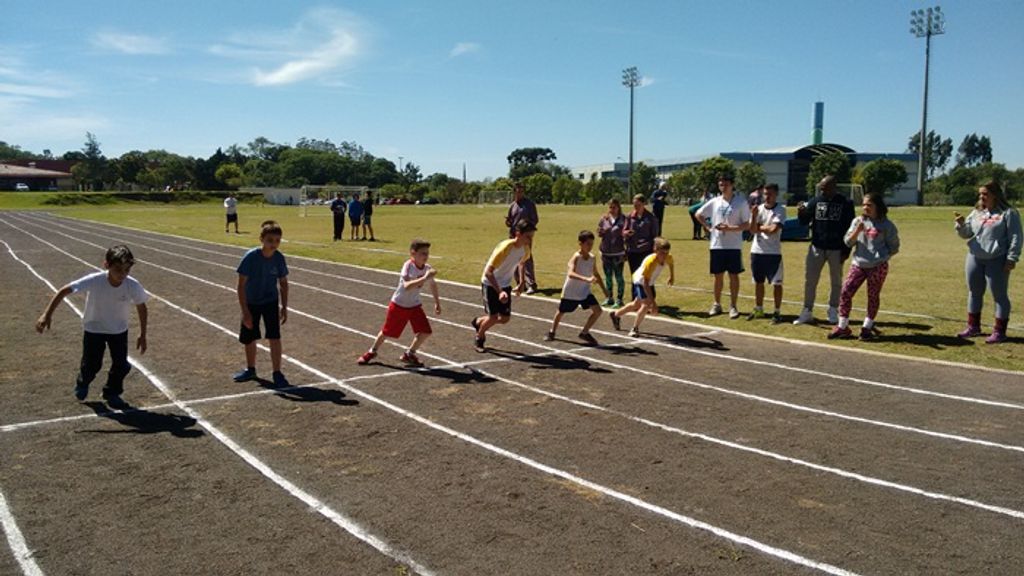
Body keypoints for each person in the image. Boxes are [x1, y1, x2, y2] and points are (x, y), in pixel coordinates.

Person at [35, 245, 149, 410]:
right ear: (106, 265)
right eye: (118, 269)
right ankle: (83, 381)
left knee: (121, 365)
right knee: (92, 364)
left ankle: (112, 393)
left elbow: (142, 307)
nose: (122, 274)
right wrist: (47, 314)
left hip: (118, 331)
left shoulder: (132, 285)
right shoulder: (95, 280)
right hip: (94, 329)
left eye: (126, 270)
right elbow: (64, 290)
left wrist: (143, 334)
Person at [954, 181, 1021, 343]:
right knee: (974, 292)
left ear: (995, 195)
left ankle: (999, 331)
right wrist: (961, 225)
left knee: (999, 295)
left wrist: (1012, 258)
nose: (981, 197)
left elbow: (1016, 237)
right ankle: (973, 327)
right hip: (975, 257)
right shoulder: (977, 213)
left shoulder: (1008, 213)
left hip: (997, 259)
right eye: (980, 194)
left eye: (985, 194)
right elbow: (967, 233)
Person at [358, 239, 442, 366]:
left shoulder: (427, 268)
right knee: (387, 332)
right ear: (413, 253)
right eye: (422, 253)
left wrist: (437, 302)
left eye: (427, 253)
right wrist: (425, 277)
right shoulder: (408, 266)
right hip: (399, 304)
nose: (426, 256)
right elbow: (407, 286)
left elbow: (433, 285)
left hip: (414, 305)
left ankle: (410, 354)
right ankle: (372, 351)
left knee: (425, 331)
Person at [829, 193, 901, 340]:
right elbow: (848, 242)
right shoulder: (857, 221)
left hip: (877, 266)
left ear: (877, 207)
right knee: (846, 292)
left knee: (873, 296)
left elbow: (894, 247)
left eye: (869, 205)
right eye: (863, 204)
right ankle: (842, 326)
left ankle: (867, 327)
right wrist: (858, 231)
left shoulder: (887, 225)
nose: (865, 207)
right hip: (859, 264)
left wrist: (881, 258)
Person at [793, 175, 855, 325]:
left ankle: (833, 310)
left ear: (833, 186)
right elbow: (804, 221)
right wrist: (801, 212)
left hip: (836, 249)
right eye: (821, 186)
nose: (821, 189)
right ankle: (807, 310)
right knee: (810, 280)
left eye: (824, 187)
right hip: (817, 247)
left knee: (836, 281)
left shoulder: (846, 203)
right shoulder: (816, 201)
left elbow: (850, 227)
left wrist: (846, 250)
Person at [233, 220, 290, 387]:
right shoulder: (251, 257)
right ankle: (251, 369)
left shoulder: (279, 259)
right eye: (270, 240)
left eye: (277, 241)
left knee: (274, 336)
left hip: (270, 302)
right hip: (251, 302)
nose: (274, 244)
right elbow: (241, 285)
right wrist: (245, 311)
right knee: (249, 337)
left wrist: (284, 307)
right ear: (262, 239)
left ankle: (277, 372)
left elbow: (284, 283)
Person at [471, 220, 535, 352]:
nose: (530, 239)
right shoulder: (505, 248)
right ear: (518, 234)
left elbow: (522, 263)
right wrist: (499, 291)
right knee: (493, 317)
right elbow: (489, 272)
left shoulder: (525, 248)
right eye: (528, 236)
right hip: (490, 283)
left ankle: (479, 322)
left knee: (505, 318)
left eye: (532, 236)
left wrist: (522, 282)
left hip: (505, 284)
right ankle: (479, 338)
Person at [696, 174, 751, 319]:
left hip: (734, 246)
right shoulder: (715, 201)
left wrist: (730, 228)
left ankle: (733, 306)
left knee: (734, 276)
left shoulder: (741, 202)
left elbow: (747, 224)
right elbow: (698, 214)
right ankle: (716, 304)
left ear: (732, 185)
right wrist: (708, 227)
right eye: (720, 184)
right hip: (717, 245)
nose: (723, 186)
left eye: (726, 183)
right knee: (717, 277)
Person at [545, 230, 609, 345]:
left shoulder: (592, 258)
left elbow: (596, 273)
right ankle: (552, 331)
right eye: (587, 244)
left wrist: (605, 290)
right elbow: (571, 273)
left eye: (592, 244)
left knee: (598, 311)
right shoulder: (576, 257)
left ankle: (584, 333)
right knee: (561, 312)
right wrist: (587, 279)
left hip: (584, 291)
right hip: (571, 292)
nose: (590, 247)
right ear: (580, 243)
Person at [609, 237, 675, 337]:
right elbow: (645, 283)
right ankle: (634, 329)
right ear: (655, 250)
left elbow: (671, 264)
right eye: (662, 253)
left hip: (649, 282)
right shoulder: (651, 262)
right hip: (641, 281)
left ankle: (616, 314)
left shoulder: (668, 257)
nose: (664, 255)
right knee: (645, 304)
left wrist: (671, 276)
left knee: (636, 304)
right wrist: (653, 303)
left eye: (666, 252)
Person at [748, 183, 786, 323]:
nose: (767, 197)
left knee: (776, 283)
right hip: (757, 251)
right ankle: (759, 308)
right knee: (759, 282)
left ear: (776, 194)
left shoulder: (781, 210)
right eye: (765, 194)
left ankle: (777, 312)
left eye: (770, 194)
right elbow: (752, 230)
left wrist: (760, 227)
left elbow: (773, 230)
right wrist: (753, 217)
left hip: (773, 252)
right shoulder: (758, 209)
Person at [505, 182, 539, 294]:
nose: (519, 193)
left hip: (525, 236)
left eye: (521, 191)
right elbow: (510, 221)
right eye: (517, 191)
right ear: (514, 192)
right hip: (514, 236)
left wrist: (527, 230)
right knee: (514, 258)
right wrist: (508, 222)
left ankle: (531, 284)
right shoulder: (513, 205)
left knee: (526, 258)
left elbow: (535, 220)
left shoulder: (529, 204)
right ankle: (519, 283)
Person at [597, 198, 627, 308]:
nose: (612, 209)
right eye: (610, 207)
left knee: (619, 277)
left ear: (618, 207)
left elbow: (627, 236)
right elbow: (599, 232)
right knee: (608, 277)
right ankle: (609, 297)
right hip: (606, 253)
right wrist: (600, 232)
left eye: (614, 207)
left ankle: (619, 299)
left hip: (618, 253)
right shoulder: (604, 219)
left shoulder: (624, 219)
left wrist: (626, 253)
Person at [623, 193, 658, 277]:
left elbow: (654, 235)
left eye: (638, 205)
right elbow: (624, 230)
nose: (636, 207)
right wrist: (626, 233)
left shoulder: (651, 217)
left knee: (645, 275)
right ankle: (635, 290)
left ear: (644, 204)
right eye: (634, 205)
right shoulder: (629, 217)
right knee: (634, 276)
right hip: (632, 251)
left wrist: (653, 249)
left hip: (646, 250)